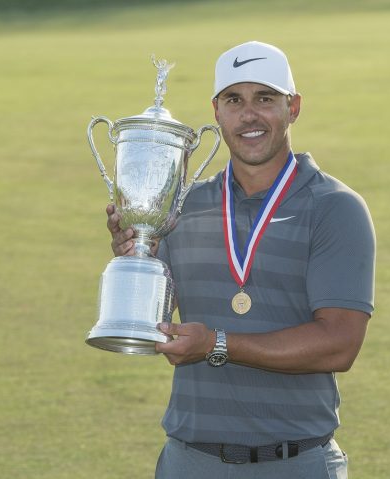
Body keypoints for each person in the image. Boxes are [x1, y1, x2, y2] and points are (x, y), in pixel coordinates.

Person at [106, 41, 376, 479]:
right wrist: (137, 259)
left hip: (294, 463)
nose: (249, 115)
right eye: (234, 100)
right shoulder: (183, 206)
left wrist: (217, 344)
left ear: (293, 107)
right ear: (216, 111)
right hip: (189, 461)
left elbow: (340, 343)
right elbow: (155, 324)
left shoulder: (334, 207)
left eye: (264, 99)